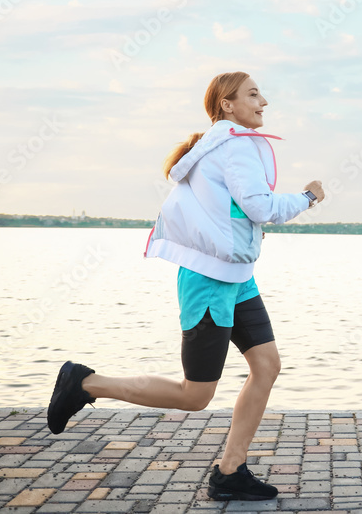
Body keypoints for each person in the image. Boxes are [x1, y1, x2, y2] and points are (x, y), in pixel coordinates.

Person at [46, 71, 324, 502]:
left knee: (266, 366)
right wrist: (306, 197)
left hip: (237, 278)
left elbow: (223, 211)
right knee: (195, 395)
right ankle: (84, 383)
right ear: (227, 105)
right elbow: (258, 206)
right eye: (253, 94)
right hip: (211, 281)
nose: (263, 101)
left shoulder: (219, 144)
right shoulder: (233, 145)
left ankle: (230, 471)